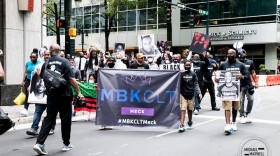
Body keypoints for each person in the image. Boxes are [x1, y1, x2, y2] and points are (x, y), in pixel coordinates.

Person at [33, 44, 84, 155]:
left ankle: (39, 143)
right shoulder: (65, 61)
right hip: (65, 95)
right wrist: (79, 92)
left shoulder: (45, 63)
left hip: (51, 95)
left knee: (49, 118)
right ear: (59, 51)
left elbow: (43, 78)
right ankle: (66, 143)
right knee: (65, 119)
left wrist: (38, 74)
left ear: (50, 51)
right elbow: (71, 79)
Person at [216, 48, 249, 134]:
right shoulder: (223, 65)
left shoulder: (241, 65)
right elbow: (218, 74)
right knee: (227, 107)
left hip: (237, 89)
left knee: (235, 107)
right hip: (226, 90)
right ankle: (227, 125)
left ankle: (233, 122)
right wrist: (217, 79)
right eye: (228, 53)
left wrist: (241, 76)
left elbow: (247, 75)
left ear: (235, 54)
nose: (229, 55)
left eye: (231, 53)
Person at [26, 50, 56, 136]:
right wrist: (31, 86)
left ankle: (51, 128)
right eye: (45, 55)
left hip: (51, 93)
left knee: (51, 112)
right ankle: (34, 128)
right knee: (38, 111)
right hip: (40, 95)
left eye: (48, 55)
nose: (47, 56)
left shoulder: (55, 66)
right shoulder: (39, 65)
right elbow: (34, 78)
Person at [179, 60, 202, 132]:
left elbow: (196, 84)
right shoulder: (180, 74)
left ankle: (189, 122)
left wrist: (199, 93)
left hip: (191, 94)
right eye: (186, 65)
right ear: (184, 65)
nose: (188, 66)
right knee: (183, 109)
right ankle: (181, 125)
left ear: (191, 66)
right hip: (183, 94)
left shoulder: (193, 74)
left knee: (190, 109)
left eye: (189, 65)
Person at [20, 52, 41, 117]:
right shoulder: (28, 63)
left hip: (36, 80)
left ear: (37, 57)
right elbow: (26, 72)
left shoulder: (40, 63)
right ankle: (25, 109)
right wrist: (23, 81)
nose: (32, 58)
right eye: (31, 57)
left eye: (34, 57)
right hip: (28, 80)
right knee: (28, 94)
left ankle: (37, 110)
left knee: (35, 94)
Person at [238, 50, 257, 123]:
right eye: (240, 57)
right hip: (240, 85)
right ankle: (242, 115)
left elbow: (253, 72)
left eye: (243, 57)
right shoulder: (237, 63)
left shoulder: (250, 62)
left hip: (249, 84)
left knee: (251, 99)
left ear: (245, 55)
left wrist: (256, 82)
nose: (241, 58)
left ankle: (248, 113)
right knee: (241, 101)